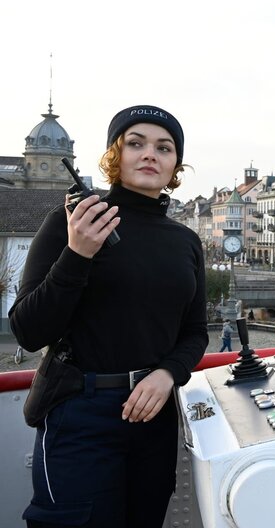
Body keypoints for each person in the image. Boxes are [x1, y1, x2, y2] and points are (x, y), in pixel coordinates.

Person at [9, 105, 208, 528]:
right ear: (115, 157)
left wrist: (168, 373)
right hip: (80, 414)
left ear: (176, 165)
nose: (149, 154)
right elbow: (28, 330)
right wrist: (77, 253)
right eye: (135, 143)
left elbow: (194, 333)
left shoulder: (186, 242)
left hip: (153, 414)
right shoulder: (70, 222)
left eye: (164, 147)